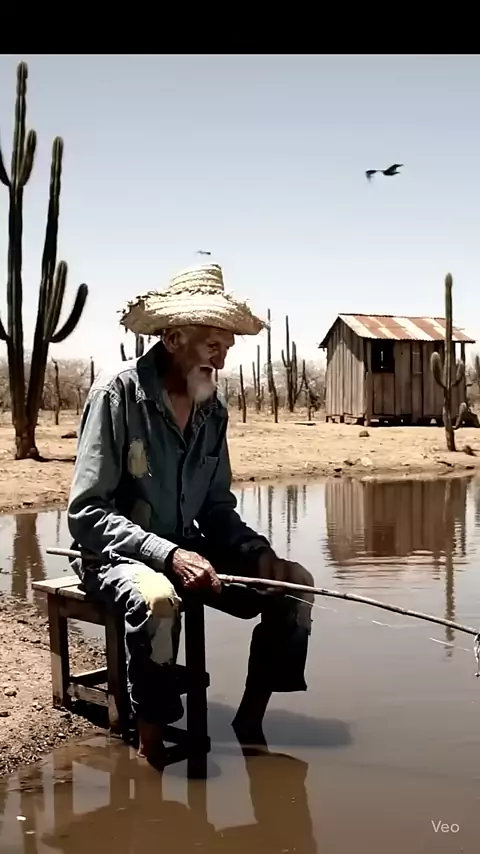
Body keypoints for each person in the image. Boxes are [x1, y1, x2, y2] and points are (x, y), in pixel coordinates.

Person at [67, 261, 314, 766]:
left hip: (185, 548)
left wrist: (257, 552)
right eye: (213, 343)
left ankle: (251, 728)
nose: (222, 358)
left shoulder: (211, 410)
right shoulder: (117, 395)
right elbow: (87, 513)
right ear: (174, 338)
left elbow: (218, 508)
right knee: (158, 602)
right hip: (112, 556)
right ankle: (150, 748)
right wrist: (169, 554)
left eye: (227, 345)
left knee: (293, 584)